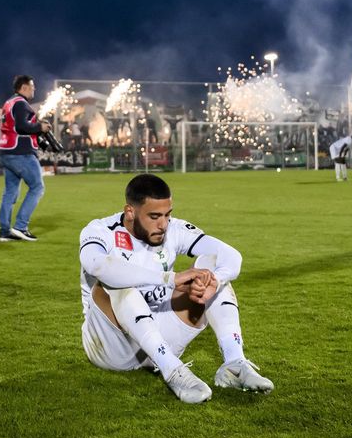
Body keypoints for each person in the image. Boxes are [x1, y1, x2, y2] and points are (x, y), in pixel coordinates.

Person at [79, 173, 274, 404]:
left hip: (161, 337)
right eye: (154, 216)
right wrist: (169, 279)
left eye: (167, 214)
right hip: (112, 347)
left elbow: (231, 256)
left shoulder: (173, 229)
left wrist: (215, 281)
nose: (163, 224)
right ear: (130, 212)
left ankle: (234, 364)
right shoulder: (101, 230)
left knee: (209, 269)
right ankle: (172, 371)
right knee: (116, 283)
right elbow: (97, 265)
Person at [0, 75, 51, 242]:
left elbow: (15, 125)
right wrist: (39, 127)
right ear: (24, 87)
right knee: (37, 187)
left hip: (6, 151)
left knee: (10, 192)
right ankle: (21, 226)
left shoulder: (9, 102)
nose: (34, 89)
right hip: (20, 152)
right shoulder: (21, 103)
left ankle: (5, 231)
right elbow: (21, 126)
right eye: (32, 86)